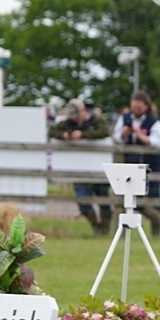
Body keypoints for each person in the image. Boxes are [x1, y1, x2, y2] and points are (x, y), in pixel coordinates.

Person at [49, 97, 112, 234]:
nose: (75, 119)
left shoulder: (96, 120)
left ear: (83, 111)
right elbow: (52, 131)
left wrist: (83, 134)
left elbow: (105, 132)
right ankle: (96, 228)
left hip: (99, 168)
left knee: (104, 201)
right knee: (83, 201)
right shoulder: (68, 123)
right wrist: (64, 135)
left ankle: (105, 231)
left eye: (77, 115)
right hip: (80, 168)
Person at [112, 90, 160, 236]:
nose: (135, 110)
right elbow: (116, 137)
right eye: (133, 106)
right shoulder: (124, 119)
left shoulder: (154, 122)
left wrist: (139, 134)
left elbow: (155, 142)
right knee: (131, 199)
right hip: (130, 165)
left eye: (139, 107)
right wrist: (124, 134)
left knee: (153, 199)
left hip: (151, 166)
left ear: (146, 106)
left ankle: (159, 229)